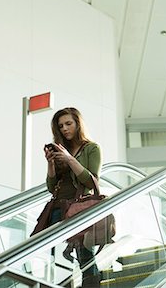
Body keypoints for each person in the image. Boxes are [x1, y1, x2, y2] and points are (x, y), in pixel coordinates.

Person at [45, 107, 102, 288]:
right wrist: (51, 165)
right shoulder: (62, 149)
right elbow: (51, 187)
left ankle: (92, 285)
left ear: (78, 124)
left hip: (79, 208)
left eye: (68, 123)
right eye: (61, 126)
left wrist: (70, 159)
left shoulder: (92, 148)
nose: (64, 129)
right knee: (56, 257)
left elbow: (90, 181)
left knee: (85, 255)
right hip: (58, 208)